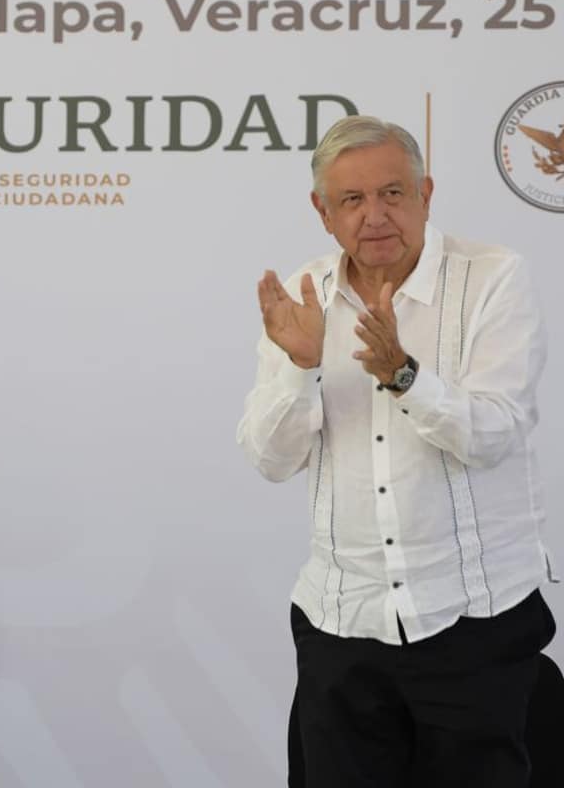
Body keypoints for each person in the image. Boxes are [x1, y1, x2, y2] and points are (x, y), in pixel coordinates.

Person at [238, 114, 556, 787]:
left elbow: (495, 432)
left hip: (474, 619)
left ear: (426, 195)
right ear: (322, 212)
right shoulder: (305, 297)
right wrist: (300, 368)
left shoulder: (492, 279)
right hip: (342, 622)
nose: (375, 216)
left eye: (392, 193)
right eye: (351, 200)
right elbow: (270, 458)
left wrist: (404, 377)